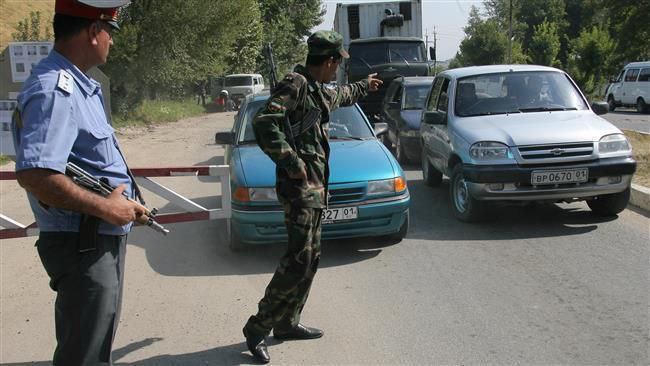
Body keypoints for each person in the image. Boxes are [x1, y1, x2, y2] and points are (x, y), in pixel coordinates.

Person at [11, 0, 144, 364]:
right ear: (92, 31)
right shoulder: (57, 89)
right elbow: (36, 174)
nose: (112, 42)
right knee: (83, 356)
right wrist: (106, 207)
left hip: (94, 238)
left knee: (93, 348)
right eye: (110, 31)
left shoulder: (77, 85)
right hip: (82, 244)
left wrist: (125, 204)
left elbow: (87, 165)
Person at [242, 30, 383, 364]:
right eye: (337, 64)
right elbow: (264, 123)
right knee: (298, 260)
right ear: (329, 60)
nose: (337, 71)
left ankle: (287, 323)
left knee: (311, 259)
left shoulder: (318, 89)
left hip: (316, 190)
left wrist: (365, 86)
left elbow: (342, 95)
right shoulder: (295, 84)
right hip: (299, 190)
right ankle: (258, 327)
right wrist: (291, 162)